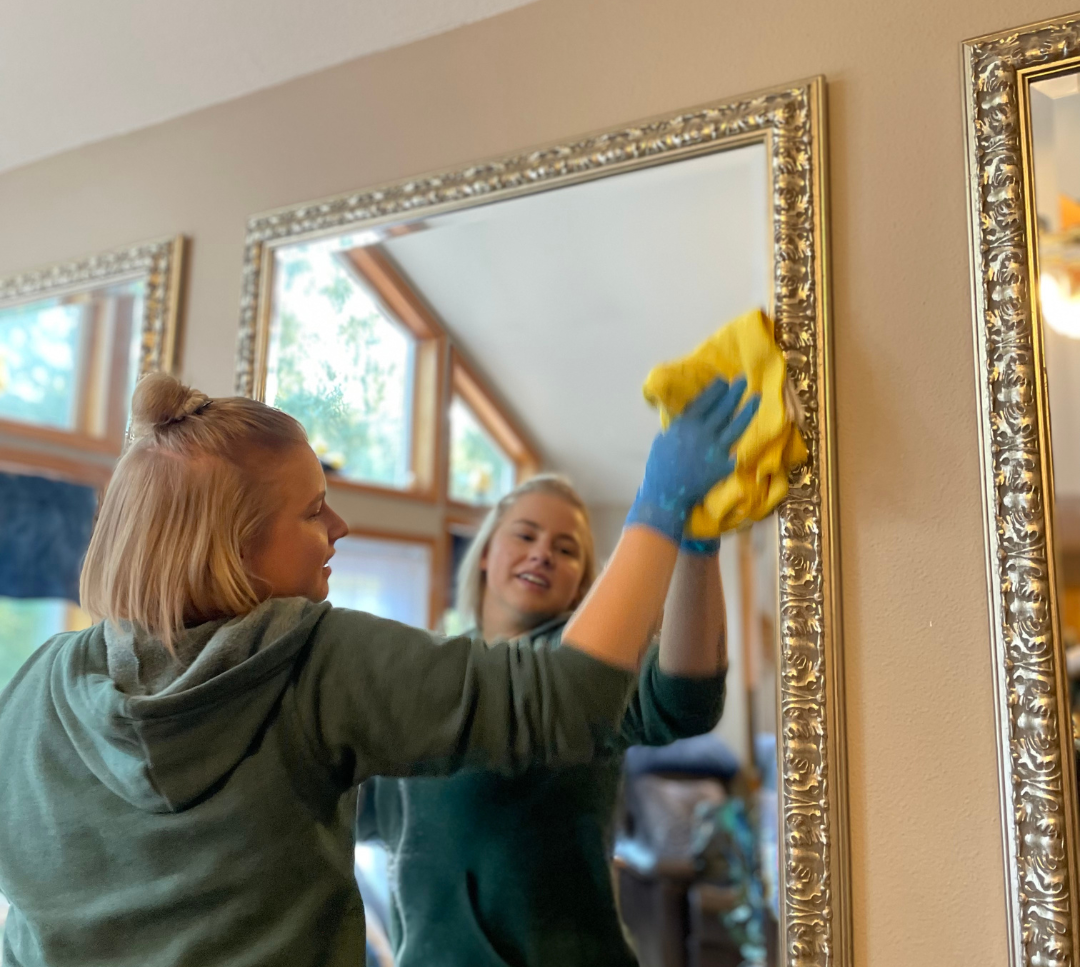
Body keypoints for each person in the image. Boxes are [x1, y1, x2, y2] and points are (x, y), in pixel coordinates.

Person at [0, 370, 757, 967]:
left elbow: (672, 701)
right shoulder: (327, 661)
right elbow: (554, 703)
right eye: (312, 511)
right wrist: (660, 506)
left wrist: (695, 546)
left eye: (568, 548)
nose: (341, 527)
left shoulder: (37, 680)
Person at [356, 465, 735, 967]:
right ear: (486, 552)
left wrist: (697, 546)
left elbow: (686, 697)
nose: (542, 553)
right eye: (527, 534)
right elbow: (362, 812)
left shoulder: (588, 672)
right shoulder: (437, 664)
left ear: (582, 583)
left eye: (565, 548)